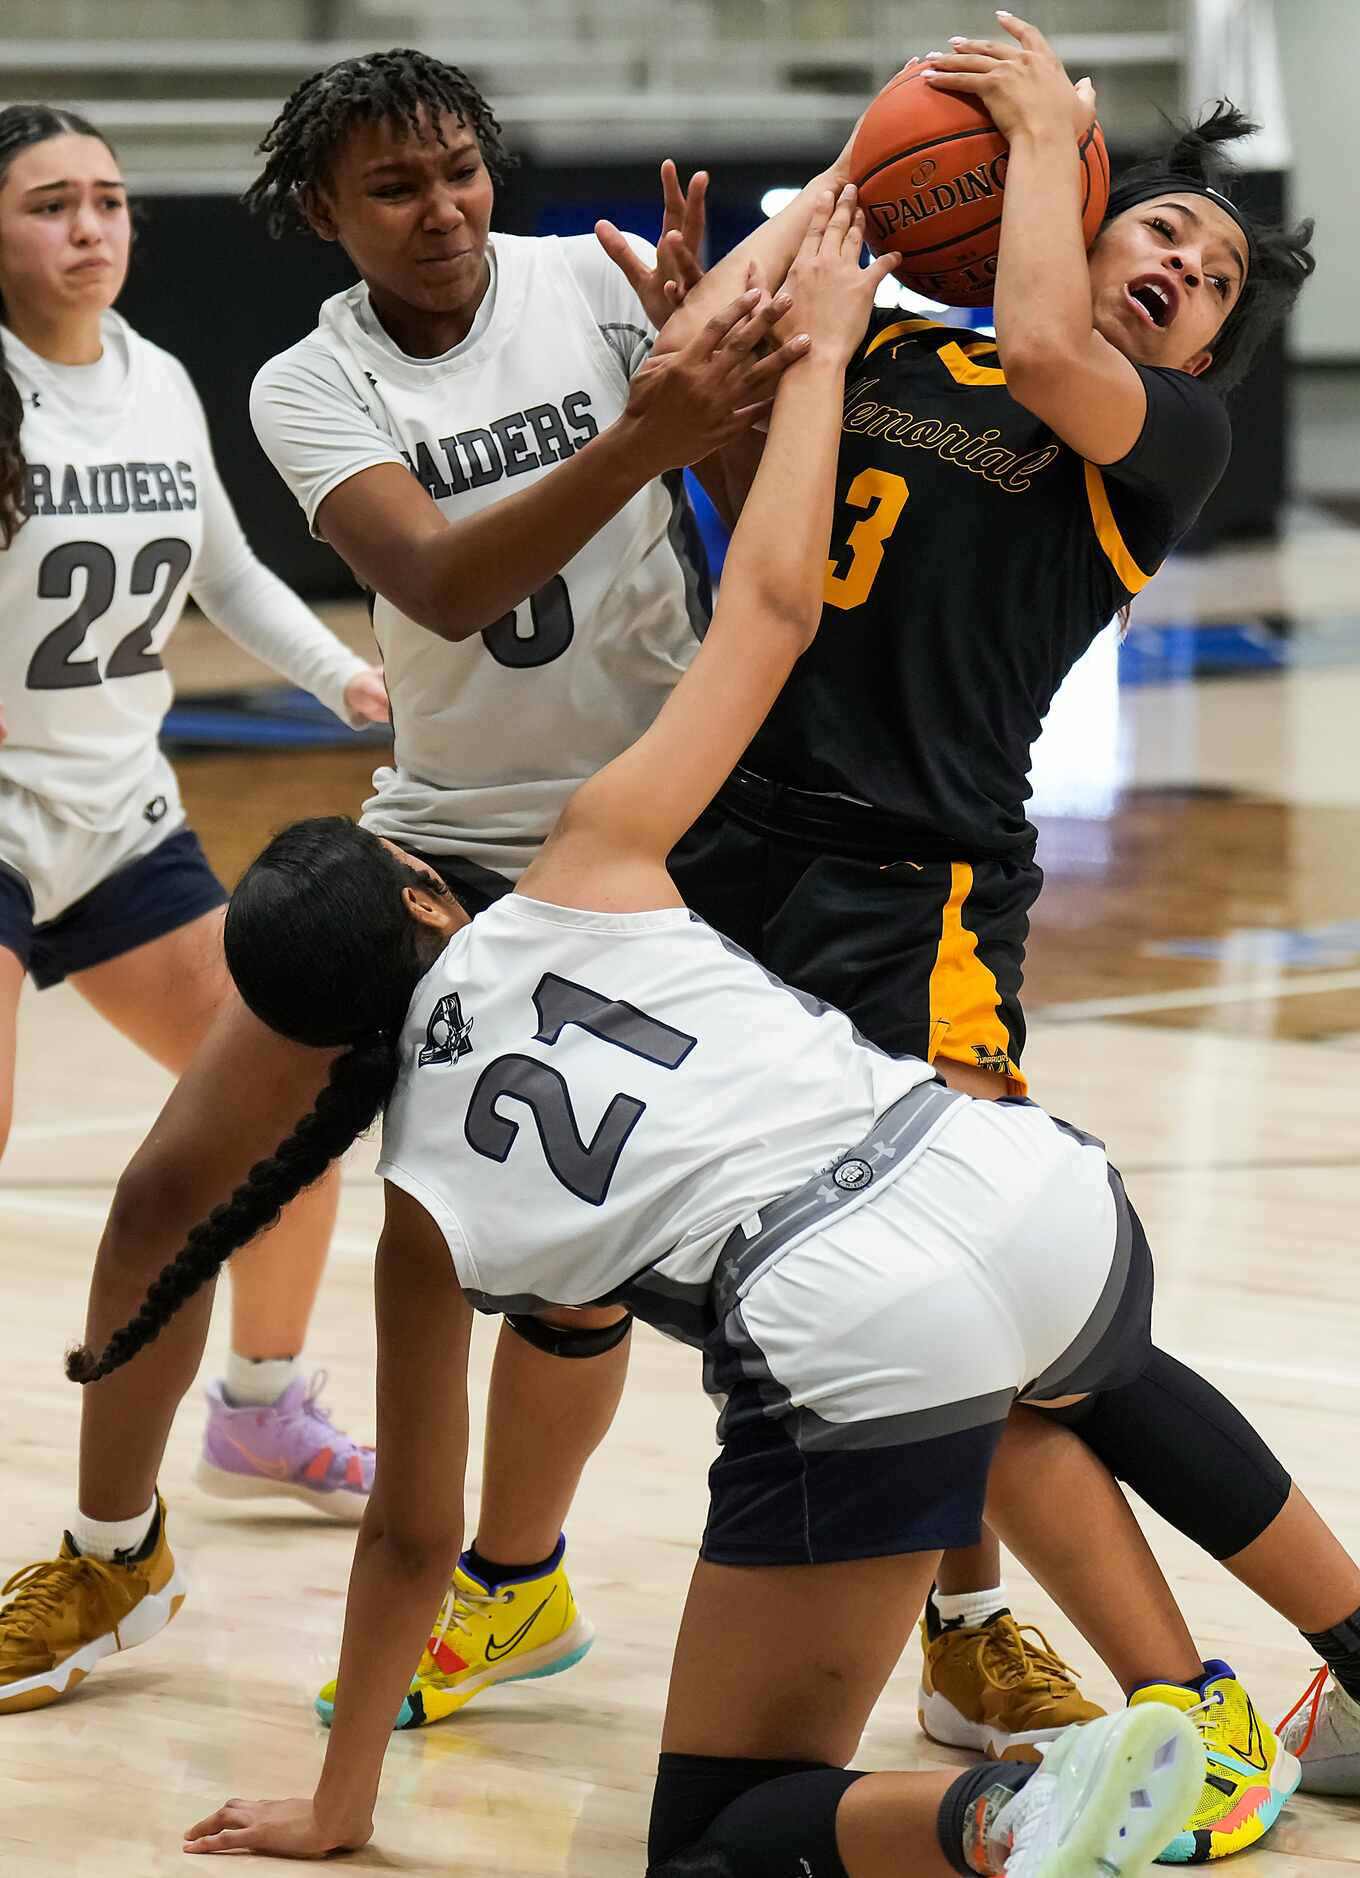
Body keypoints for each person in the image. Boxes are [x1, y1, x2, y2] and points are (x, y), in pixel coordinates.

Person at [74, 191, 1211, 1877]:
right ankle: (1186, 1702)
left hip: (814, 1309)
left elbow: (401, 1525)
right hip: (915, 1267)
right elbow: (767, 609)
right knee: (1021, 1326)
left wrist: (343, 1807)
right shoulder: (605, 877)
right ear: (433, 886)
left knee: (717, 1819)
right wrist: (817, 331)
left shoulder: (432, 1186)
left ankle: (982, 1753)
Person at [620, 14, 1358, 1823]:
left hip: (912, 893)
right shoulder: (894, 344)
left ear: (1201, 346)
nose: (1180, 266)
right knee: (900, 1302)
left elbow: (1039, 334)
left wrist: (1040, 132)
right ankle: (1137, 1680)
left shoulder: (1150, 437)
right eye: (1160, 229)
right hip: (732, 867)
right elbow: (760, 517)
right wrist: (712, 340)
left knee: (1025, 1314)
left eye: (1210, 277)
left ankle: (1195, 1700)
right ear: (1091, 223)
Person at [0, 57, 793, 1718]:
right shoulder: (307, 384)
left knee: (540, 1266)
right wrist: (647, 425)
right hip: (431, 847)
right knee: (175, 1186)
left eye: (458, 173)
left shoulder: (593, 283)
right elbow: (436, 580)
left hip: (645, 853)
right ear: (320, 214)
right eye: (393, 188)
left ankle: (514, 1585)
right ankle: (109, 1543)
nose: (440, 212)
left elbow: (762, 470)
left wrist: (733, 384)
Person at [0, 100, 388, 1606]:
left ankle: (264, 1406)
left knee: (294, 1099)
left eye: (108, 199)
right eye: (50, 204)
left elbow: (223, 564)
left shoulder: (155, 375)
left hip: (119, 814)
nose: (91, 227)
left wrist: (341, 676)